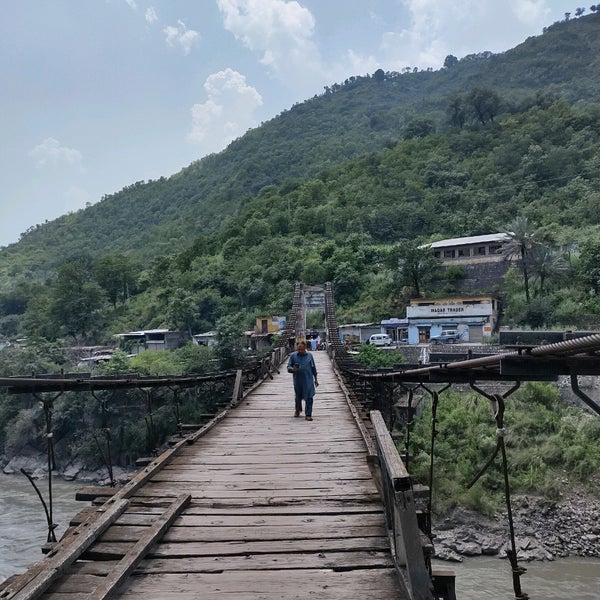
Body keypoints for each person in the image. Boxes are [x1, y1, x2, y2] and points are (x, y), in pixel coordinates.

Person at [287, 340, 319, 420]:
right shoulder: (293, 356)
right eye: (299, 349)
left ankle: (308, 414)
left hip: (308, 379)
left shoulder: (310, 356)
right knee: (298, 396)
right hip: (297, 380)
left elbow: (313, 367)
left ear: (305, 347)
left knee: (309, 396)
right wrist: (293, 369)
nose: (300, 351)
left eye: (302, 349)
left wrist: (316, 379)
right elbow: (288, 367)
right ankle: (298, 410)